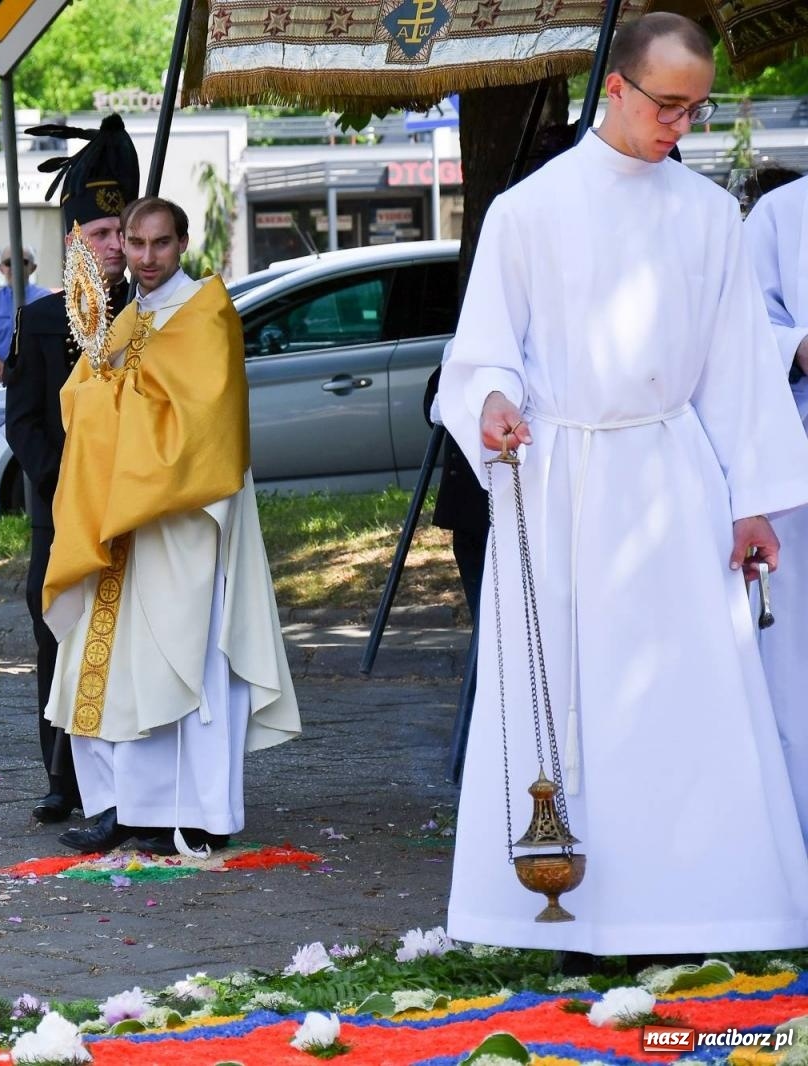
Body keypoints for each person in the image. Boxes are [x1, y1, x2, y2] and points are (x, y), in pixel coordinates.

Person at [442, 12, 808, 957]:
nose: (682, 124)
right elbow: (484, 348)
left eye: (699, 107)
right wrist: (493, 404)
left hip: (673, 480)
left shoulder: (706, 214)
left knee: (685, 695)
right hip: (561, 481)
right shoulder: (528, 210)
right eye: (668, 103)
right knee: (568, 697)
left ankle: (697, 907)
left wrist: (752, 500)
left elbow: (739, 370)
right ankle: (564, 908)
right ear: (616, 88)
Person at [43, 197, 302, 855]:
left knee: (176, 661)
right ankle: (122, 805)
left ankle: (191, 810)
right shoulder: (127, 318)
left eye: (161, 243)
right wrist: (102, 383)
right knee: (112, 668)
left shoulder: (206, 313)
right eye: (135, 243)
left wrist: (114, 398)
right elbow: (82, 403)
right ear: (122, 246)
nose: (148, 257)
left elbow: (199, 425)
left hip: (182, 521)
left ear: (182, 243)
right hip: (123, 519)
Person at [4, 113, 138, 824]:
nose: (113, 248)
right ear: (73, 241)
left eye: (122, 234)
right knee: (56, 636)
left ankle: (129, 774)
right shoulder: (38, 320)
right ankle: (62, 774)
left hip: (131, 509)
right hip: (58, 514)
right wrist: (67, 476)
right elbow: (21, 423)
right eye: (99, 235)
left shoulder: (149, 317)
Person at [744, 166, 808, 843]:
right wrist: (798, 345)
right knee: (797, 669)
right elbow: (737, 331)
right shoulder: (784, 215)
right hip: (799, 466)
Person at [0, 246, 50, 387]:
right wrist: (8, 376)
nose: (15, 267)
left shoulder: (46, 299)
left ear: (33, 268)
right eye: (9, 263)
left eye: (23, 262)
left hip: (39, 379)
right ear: (1, 268)